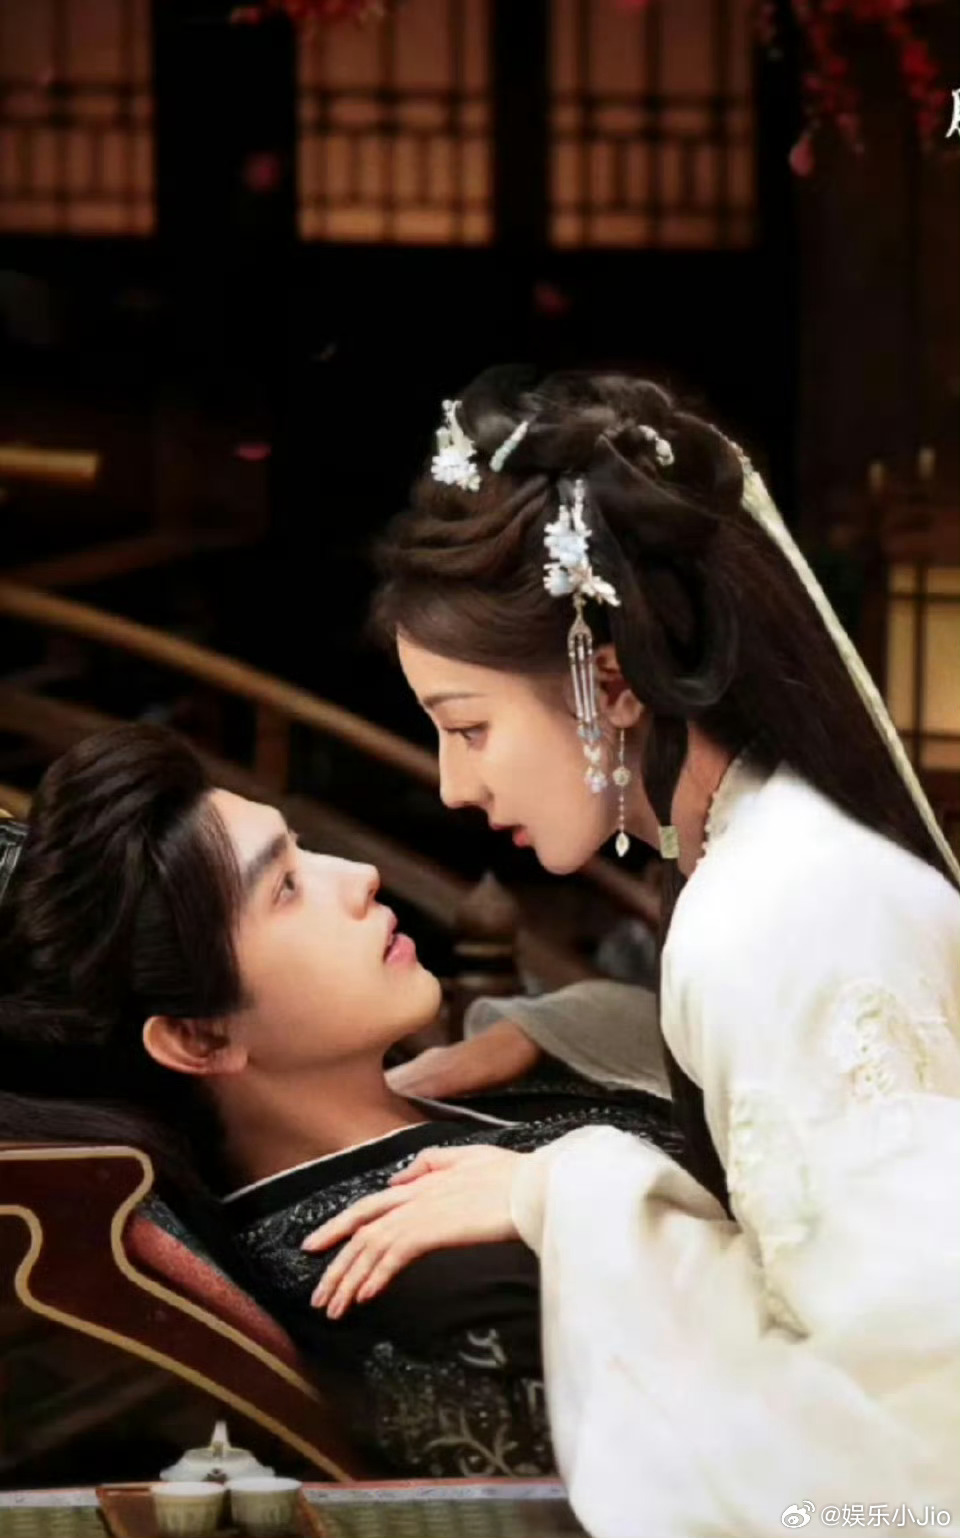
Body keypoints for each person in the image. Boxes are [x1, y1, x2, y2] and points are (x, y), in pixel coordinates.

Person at [298, 368, 960, 1537]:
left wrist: (561, 1187)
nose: (454, 784)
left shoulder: (772, 914)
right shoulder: (760, 864)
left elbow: (906, 1435)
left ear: (607, 682)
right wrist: (574, 1036)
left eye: (467, 727)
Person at [0, 723, 681, 1478]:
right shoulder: (402, 1280)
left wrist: (556, 1031)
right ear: (200, 1038)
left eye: (302, 848)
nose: (359, 875)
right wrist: (570, 1185)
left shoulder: (468, 1081)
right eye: (285, 888)